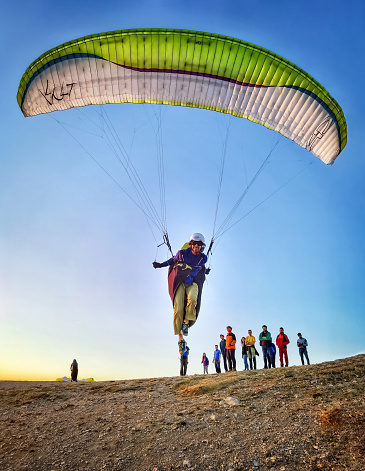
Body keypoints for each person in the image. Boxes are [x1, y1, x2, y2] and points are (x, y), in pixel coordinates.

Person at [153, 233, 208, 352]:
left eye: (200, 245)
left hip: (192, 282)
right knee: (178, 308)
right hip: (180, 281)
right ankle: (180, 339)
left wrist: (204, 271)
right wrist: (160, 265)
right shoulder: (182, 254)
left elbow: (201, 268)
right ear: (191, 244)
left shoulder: (203, 258)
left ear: (202, 246)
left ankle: (186, 322)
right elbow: (171, 260)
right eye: (195, 244)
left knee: (193, 299)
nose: (197, 246)